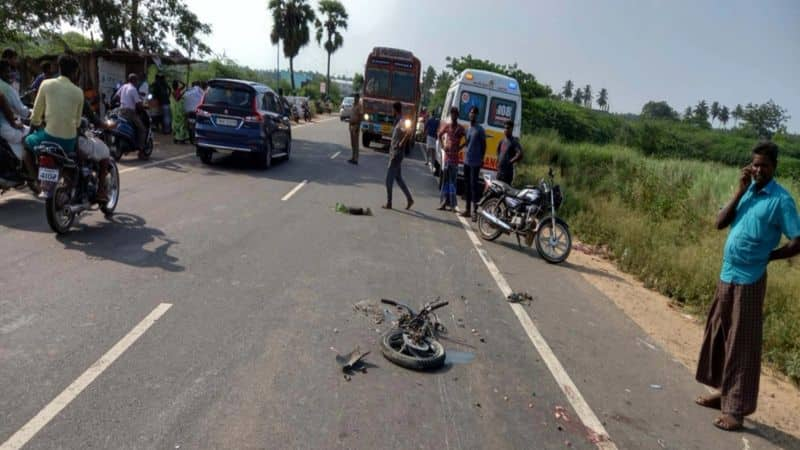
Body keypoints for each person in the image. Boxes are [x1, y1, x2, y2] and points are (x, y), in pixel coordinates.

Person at [694, 141, 800, 431]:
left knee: (743, 344)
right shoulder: (748, 192)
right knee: (720, 334)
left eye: (764, 165)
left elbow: (797, 240)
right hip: (727, 275)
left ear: (774, 167)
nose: (758, 170)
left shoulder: (781, 200)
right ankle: (724, 393)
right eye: (755, 164)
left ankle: (736, 411)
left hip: (751, 279)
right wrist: (740, 190)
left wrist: (771, 256)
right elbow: (719, 222)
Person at [23, 55, 84, 188]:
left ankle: (36, 180)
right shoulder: (79, 92)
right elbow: (77, 123)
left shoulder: (46, 84)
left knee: (26, 144)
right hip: (68, 142)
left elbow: (36, 115)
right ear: (75, 72)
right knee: (74, 160)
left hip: (48, 138)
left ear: (59, 68)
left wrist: (31, 133)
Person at [383, 101, 414, 210]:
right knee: (398, 178)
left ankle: (389, 203)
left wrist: (401, 143)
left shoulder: (401, 121)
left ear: (395, 110)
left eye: (392, 109)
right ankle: (410, 199)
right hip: (396, 153)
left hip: (396, 154)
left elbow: (409, 131)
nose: (391, 111)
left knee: (388, 180)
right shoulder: (398, 121)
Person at [437, 106, 465, 211]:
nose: (453, 115)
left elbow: (467, 138)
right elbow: (439, 135)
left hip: (454, 160)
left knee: (453, 183)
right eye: (452, 113)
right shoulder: (447, 126)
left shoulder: (460, 128)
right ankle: (443, 203)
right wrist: (442, 146)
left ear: (457, 115)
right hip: (447, 158)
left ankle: (453, 205)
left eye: (455, 113)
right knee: (445, 182)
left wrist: (461, 147)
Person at [462, 106, 486, 221]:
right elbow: (467, 143)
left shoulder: (480, 130)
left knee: (474, 186)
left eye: (474, 113)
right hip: (467, 160)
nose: (472, 115)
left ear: (477, 116)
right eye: (471, 113)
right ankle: (467, 209)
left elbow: (484, 146)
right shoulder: (468, 129)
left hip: (475, 162)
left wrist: (481, 159)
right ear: (469, 114)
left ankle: (474, 211)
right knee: (466, 186)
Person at [117, 73, 147, 153]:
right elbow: (138, 104)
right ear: (134, 80)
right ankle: (141, 148)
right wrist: (143, 107)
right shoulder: (133, 89)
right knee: (142, 129)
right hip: (130, 112)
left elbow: (117, 96)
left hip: (121, 110)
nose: (137, 82)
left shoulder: (124, 86)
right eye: (136, 80)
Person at [0, 90, 28, 161]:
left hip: (4, 131)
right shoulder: (1, 95)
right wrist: (15, 124)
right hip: (4, 130)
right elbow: (8, 112)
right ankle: (25, 164)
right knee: (28, 133)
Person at [347, 93, 362, 164]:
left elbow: (360, 117)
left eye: (356, 98)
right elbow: (351, 115)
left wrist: (358, 127)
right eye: (355, 97)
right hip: (351, 125)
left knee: (356, 143)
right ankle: (353, 157)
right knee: (352, 143)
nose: (355, 99)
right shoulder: (353, 105)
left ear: (358, 98)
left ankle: (356, 159)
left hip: (356, 125)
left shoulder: (360, 106)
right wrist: (349, 125)